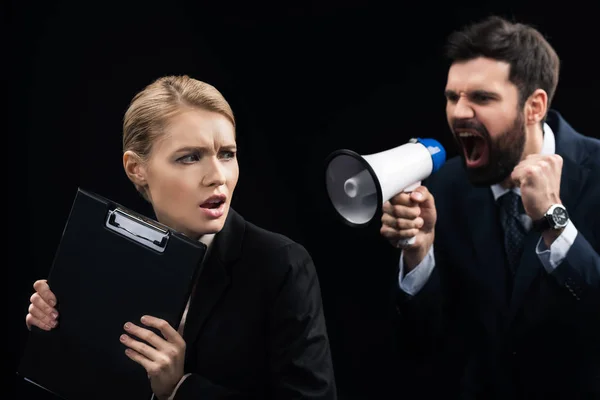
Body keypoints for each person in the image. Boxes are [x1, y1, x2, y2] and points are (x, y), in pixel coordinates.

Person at [24, 75, 337, 400]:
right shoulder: (107, 255)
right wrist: (56, 336)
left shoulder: (281, 264)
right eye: (189, 157)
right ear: (136, 169)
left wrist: (179, 389)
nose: (218, 176)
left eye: (227, 154)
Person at [380, 16, 600, 399]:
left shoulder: (596, 172)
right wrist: (419, 256)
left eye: (481, 97)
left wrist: (555, 219)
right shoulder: (445, 186)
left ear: (534, 107)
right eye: (452, 97)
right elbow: (423, 346)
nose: (459, 112)